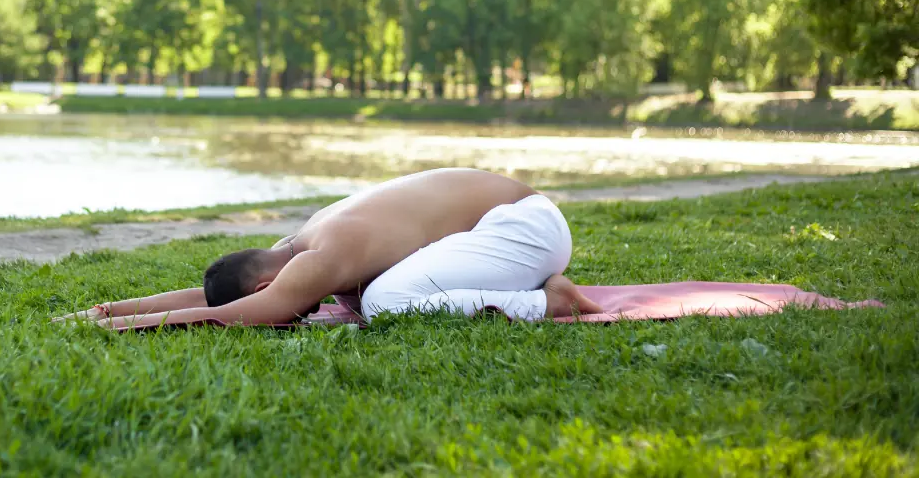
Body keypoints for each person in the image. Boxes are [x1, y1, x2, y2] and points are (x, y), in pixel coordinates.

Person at [53, 168, 602, 329]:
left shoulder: (319, 257)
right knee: (374, 297)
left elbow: (230, 314)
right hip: (514, 224)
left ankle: (548, 302)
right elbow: (212, 296)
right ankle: (536, 284)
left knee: (384, 303)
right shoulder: (300, 241)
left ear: (266, 282)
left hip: (524, 230)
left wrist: (116, 329)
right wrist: (104, 310)